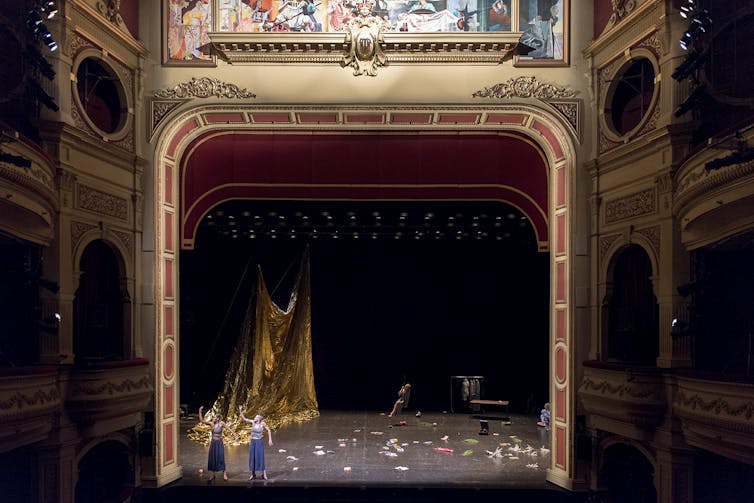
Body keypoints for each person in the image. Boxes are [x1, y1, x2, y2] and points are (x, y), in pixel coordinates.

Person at [198, 406, 238, 482]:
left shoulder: (221, 423)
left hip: (219, 443)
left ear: (218, 419)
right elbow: (202, 420)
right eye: (213, 417)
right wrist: (200, 411)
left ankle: (224, 474)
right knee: (212, 458)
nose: (213, 419)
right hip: (213, 443)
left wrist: (235, 435)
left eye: (214, 418)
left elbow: (229, 429)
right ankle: (212, 475)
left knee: (220, 458)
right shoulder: (211, 424)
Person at [239, 406, 273, 480]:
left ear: (259, 419)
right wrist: (240, 411)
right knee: (252, 457)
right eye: (254, 418)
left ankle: (264, 474)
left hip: (259, 442)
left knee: (260, 457)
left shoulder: (262, 424)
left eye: (255, 418)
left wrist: (270, 440)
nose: (254, 418)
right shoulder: (252, 422)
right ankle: (253, 474)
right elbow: (244, 419)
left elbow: (269, 430)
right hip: (253, 442)